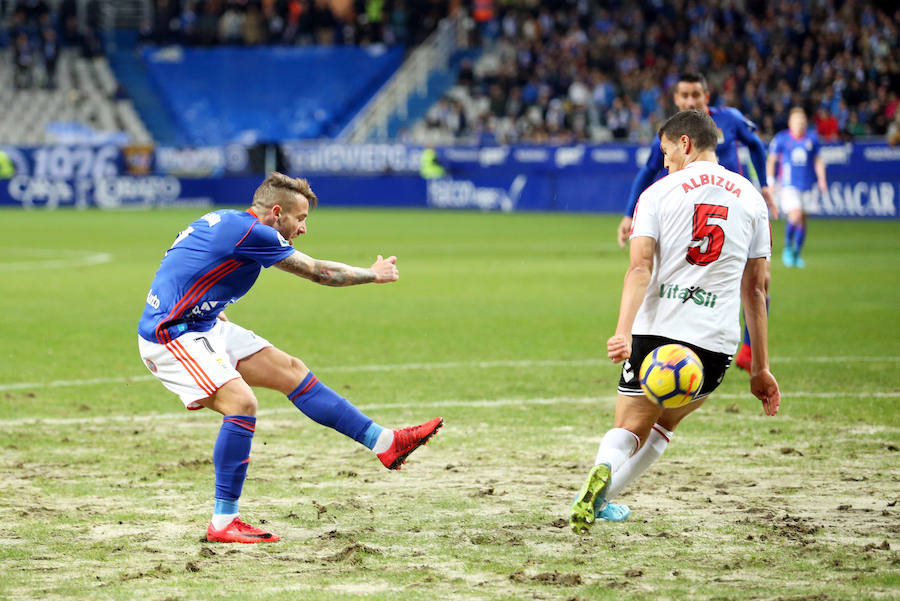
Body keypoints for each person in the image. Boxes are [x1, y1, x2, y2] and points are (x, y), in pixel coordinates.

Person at [137, 172, 443, 543]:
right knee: (242, 403)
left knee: (291, 370)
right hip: (172, 335)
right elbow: (319, 272)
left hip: (201, 323)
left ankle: (386, 444)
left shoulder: (225, 219)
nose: (303, 229)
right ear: (277, 213)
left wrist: (208, 303)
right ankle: (223, 523)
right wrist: (373, 274)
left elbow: (179, 257)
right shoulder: (257, 234)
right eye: (301, 219)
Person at [570, 110, 781, 534]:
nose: (664, 162)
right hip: (714, 342)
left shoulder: (657, 193)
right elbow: (756, 290)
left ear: (685, 144)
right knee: (665, 424)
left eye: (665, 152)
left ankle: (599, 482)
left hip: (654, 331)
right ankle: (605, 499)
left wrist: (623, 332)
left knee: (628, 428)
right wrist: (759, 368)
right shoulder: (751, 198)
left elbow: (638, 270)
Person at [615, 72, 776, 376]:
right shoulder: (671, 134)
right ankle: (683, 339)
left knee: (759, 279)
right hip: (690, 213)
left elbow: (756, 145)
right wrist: (629, 214)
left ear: (707, 96)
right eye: (684, 96)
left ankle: (749, 349)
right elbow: (649, 169)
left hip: (734, 210)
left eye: (696, 95)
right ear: (676, 99)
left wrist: (765, 185)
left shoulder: (729, 120)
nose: (691, 100)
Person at [767, 107, 827, 268]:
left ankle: (797, 253)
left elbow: (818, 160)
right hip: (788, 184)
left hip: (807, 184)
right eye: (796, 121)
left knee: (803, 219)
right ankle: (787, 248)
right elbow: (772, 160)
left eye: (802, 121)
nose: (799, 124)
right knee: (795, 215)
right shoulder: (782, 138)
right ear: (790, 123)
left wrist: (822, 179)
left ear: (805, 123)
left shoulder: (812, 139)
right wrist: (770, 181)